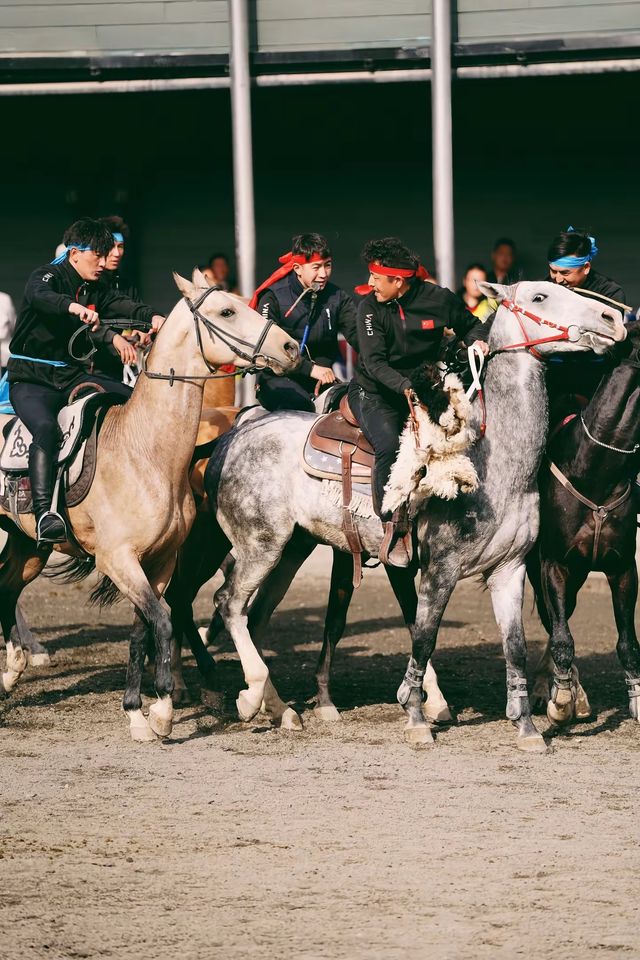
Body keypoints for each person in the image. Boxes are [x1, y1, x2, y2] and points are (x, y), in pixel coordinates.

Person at [7, 217, 164, 546]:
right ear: (75, 253)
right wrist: (74, 308)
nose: (104, 261)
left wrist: (154, 316)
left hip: (69, 375)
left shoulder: (96, 286)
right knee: (47, 430)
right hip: (31, 379)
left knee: (133, 399)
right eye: (99, 254)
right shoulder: (47, 275)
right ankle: (44, 515)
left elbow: (122, 305)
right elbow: (40, 296)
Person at [348, 237, 489, 567]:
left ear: (398, 281)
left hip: (426, 391)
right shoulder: (368, 308)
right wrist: (406, 387)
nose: (370, 283)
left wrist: (477, 343)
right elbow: (374, 363)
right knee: (388, 447)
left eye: (376, 278)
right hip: (376, 393)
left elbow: (472, 326)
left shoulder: (438, 299)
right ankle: (392, 529)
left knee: (458, 442)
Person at [250, 233, 358, 412]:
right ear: (297, 268)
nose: (323, 274)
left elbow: (358, 336)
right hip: (277, 379)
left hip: (322, 380)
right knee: (301, 407)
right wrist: (309, 369)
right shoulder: (273, 296)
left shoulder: (337, 297)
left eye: (328, 265)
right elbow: (266, 347)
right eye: (316, 267)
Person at [544, 227, 628, 415]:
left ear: (586, 267)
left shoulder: (611, 293)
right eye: (552, 271)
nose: (557, 279)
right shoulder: (547, 289)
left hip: (595, 378)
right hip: (553, 376)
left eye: (565, 273)